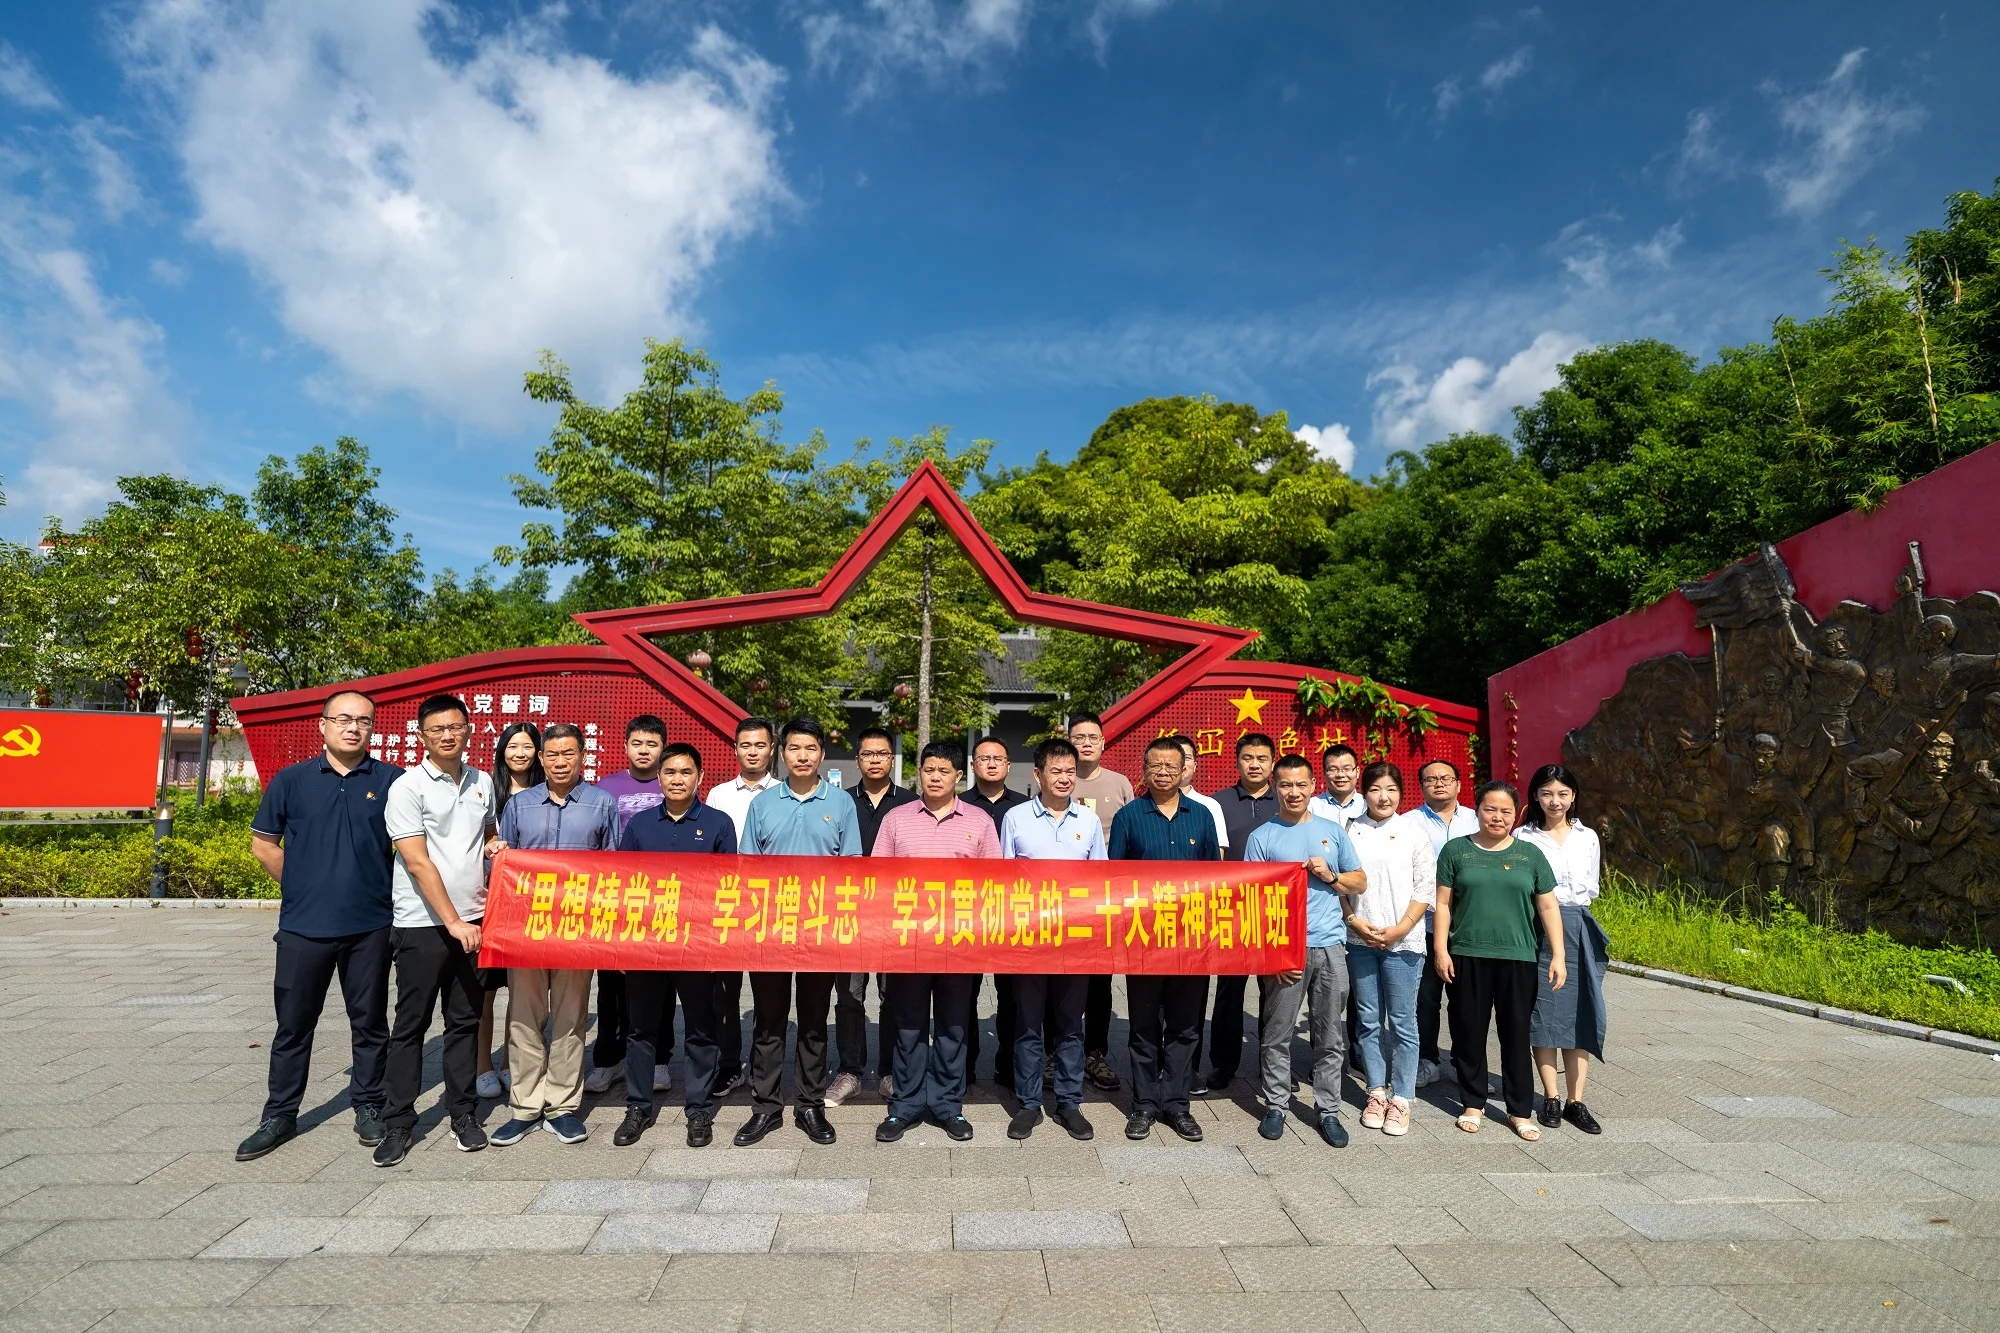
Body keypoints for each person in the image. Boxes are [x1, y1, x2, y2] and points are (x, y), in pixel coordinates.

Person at [237, 691, 402, 1162]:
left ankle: (368, 1104)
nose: (353, 727)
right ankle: (280, 1114)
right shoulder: (292, 780)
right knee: (293, 1025)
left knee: (370, 1022)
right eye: (344, 718)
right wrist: (303, 886)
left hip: (370, 925)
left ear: (372, 728)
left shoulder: (393, 781)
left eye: (363, 720)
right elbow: (264, 845)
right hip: (303, 927)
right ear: (323, 724)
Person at [375, 694, 500, 1166]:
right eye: (437, 729)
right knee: (411, 1025)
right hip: (423, 925)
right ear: (422, 735)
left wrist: (495, 846)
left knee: (465, 1023)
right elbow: (417, 861)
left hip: (475, 921)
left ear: (469, 730)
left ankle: (463, 1114)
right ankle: (398, 1122)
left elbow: (486, 832)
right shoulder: (407, 787)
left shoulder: (482, 781)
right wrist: (453, 922)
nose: (448, 735)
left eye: (455, 727)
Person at [487, 724, 618, 1148]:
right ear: (541, 759)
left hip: (578, 930)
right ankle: (525, 1107)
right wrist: (496, 855)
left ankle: (561, 1106)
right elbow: (502, 866)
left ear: (583, 757)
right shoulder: (519, 804)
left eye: (569, 754)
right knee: (523, 1018)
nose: (560, 762)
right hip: (526, 928)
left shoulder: (602, 803)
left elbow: (613, 869)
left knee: (570, 1019)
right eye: (553, 755)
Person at [736, 716, 862, 1146]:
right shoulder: (763, 804)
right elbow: (747, 867)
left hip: (820, 930)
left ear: (822, 754)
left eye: (810, 748)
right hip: (771, 929)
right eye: (794, 748)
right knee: (768, 1022)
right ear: (781, 753)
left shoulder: (841, 803)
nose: (802, 756)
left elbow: (851, 867)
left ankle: (809, 1104)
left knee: (813, 1021)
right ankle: (766, 1107)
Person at [873, 741, 1002, 1143]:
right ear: (919, 772)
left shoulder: (979, 820)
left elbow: (994, 883)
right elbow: (877, 879)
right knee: (908, 1026)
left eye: (943, 771)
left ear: (958, 776)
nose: (935, 777)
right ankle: (906, 1105)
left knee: (952, 1027)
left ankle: (948, 1104)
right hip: (908, 943)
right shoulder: (897, 819)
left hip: (958, 943)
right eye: (928, 769)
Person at [616, 742, 738, 1147]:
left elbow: (728, 887)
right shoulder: (640, 825)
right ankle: (638, 1106)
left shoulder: (718, 824)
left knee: (702, 1029)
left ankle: (699, 1109)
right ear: (659, 777)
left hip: (698, 945)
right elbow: (623, 884)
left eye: (686, 772)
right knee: (641, 1029)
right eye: (669, 772)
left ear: (699, 777)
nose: (677, 779)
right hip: (647, 944)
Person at [1434, 781, 1567, 1141]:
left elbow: (1548, 906)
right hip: (1467, 955)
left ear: (1516, 814)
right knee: (1468, 1032)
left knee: (1516, 1034)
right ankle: (1472, 1103)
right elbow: (1443, 903)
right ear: (1476, 810)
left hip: (1518, 957)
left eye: (1505, 811)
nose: (1497, 817)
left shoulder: (1530, 855)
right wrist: (1442, 949)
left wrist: (1558, 954)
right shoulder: (1456, 850)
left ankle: (1519, 1110)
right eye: (1490, 809)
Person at [1246, 753, 1365, 1147]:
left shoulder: (1333, 831)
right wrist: (1273, 954)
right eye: (1285, 784)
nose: (1293, 792)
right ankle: (1276, 1105)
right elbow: (1253, 902)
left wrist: (1331, 875)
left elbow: (1359, 881)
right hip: (1286, 949)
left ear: (1314, 786)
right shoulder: (1262, 837)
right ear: (1275, 787)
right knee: (1276, 1033)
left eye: (1301, 784)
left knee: (1329, 1036)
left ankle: (1328, 1110)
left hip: (1330, 945)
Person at [1108, 735, 1221, 1142]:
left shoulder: (1202, 815)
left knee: (1185, 1026)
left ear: (1184, 769)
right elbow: (1113, 878)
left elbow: (1215, 878)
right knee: (1142, 1027)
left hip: (1190, 940)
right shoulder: (1128, 816)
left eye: (1171, 766)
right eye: (1155, 765)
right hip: (1143, 940)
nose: (1163, 772)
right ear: (1144, 769)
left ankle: (1177, 1105)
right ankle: (1143, 1105)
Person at [998, 737, 1105, 1142]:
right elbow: (1003, 879)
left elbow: (1099, 880)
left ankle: (1069, 1102)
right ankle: (1028, 1103)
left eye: (1070, 772)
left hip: (1075, 942)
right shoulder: (1016, 818)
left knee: (1071, 1026)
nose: (1064, 778)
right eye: (1056, 771)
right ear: (1038, 774)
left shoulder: (1088, 821)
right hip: (1029, 940)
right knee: (1027, 1025)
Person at [1344, 762, 1435, 1138]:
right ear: (1364, 792)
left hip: (1404, 942)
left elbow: (1425, 886)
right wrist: (1353, 921)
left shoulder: (1413, 831)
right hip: (1360, 940)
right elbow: (1340, 882)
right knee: (1367, 1022)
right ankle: (1376, 1092)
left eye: (1391, 789)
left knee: (1402, 1022)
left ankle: (1402, 1098)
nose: (1383, 797)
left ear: (1401, 792)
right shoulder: (1350, 829)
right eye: (1375, 789)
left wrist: (1400, 929)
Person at [1521, 763, 1608, 1135]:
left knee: (1579, 1012)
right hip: (1537, 928)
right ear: (1535, 796)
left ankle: (1576, 1101)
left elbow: (1592, 886)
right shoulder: (1523, 837)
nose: (1554, 801)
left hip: (1578, 926)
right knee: (1543, 1013)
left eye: (1562, 794)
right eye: (1546, 793)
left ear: (1573, 796)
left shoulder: (1588, 836)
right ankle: (1551, 1096)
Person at [588, 716, 670, 1097]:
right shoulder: (606, 788)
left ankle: (660, 1060)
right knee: (611, 985)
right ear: (625, 746)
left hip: (662, 900)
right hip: (615, 899)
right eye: (637, 743)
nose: (644, 750)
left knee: (660, 984)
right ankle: (608, 1060)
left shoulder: (672, 782)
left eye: (652, 744)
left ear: (663, 748)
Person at [833, 726, 915, 1105]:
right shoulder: (840, 802)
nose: (875, 760)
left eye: (882, 753)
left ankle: (889, 1072)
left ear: (891, 759)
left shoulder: (911, 803)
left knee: (892, 995)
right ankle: (849, 1071)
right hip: (849, 912)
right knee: (849, 996)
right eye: (867, 754)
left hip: (895, 914)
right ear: (858, 760)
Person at [704, 716, 780, 1100]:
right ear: (735, 749)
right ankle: (729, 1065)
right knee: (724, 991)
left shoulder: (784, 793)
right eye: (745, 745)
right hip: (727, 903)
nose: (752, 752)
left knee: (768, 993)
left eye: (760, 745)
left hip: (771, 904)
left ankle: (764, 1068)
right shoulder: (718, 794)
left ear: (772, 749)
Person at [1202, 732, 1274, 1093]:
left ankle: (1272, 1064)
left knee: (1274, 991)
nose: (1255, 764)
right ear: (1237, 761)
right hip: (1231, 911)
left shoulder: (1287, 800)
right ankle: (1223, 1064)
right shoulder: (1219, 803)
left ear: (1272, 763)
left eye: (1262, 758)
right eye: (1248, 757)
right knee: (1229, 991)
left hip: (1276, 910)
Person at [476, 723, 543, 1100]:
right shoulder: (486, 789)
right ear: (502, 750)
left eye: (527, 746)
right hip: (489, 901)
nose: (520, 753)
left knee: (523, 991)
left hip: (530, 906)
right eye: (512, 746)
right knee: (485, 990)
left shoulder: (547, 793)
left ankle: (509, 1062)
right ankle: (482, 1066)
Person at [1067, 712, 1130, 1093]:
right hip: (1062, 900)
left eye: (1093, 737)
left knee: (1100, 982)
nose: (1086, 743)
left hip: (1106, 898)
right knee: (1060, 978)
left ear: (1104, 742)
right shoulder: (1059, 778)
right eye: (1079, 737)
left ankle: (1095, 1053)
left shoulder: (1119, 783)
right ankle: (1057, 1052)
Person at [963, 737, 1028, 1088]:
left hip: (1012, 915)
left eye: (997, 758)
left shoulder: (1024, 808)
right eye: (983, 758)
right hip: (966, 914)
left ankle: (1009, 1066)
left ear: (1008, 766)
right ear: (973, 764)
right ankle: (965, 1067)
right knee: (964, 994)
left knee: (1012, 995)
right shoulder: (958, 804)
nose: (991, 764)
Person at [1413, 759, 1478, 1089]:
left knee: (1467, 999)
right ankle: (1427, 1061)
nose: (1439, 783)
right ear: (1421, 786)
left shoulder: (1477, 819)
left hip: (1469, 924)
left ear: (1458, 784)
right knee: (1425, 998)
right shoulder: (1409, 823)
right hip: (1424, 923)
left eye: (1446, 778)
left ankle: (1464, 1064)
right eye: (1431, 779)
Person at [1309, 744, 1364, 826]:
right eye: (1333, 769)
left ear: (1357, 772)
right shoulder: (1311, 807)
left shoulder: (1368, 806)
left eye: (1347, 769)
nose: (1340, 775)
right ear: (1324, 773)